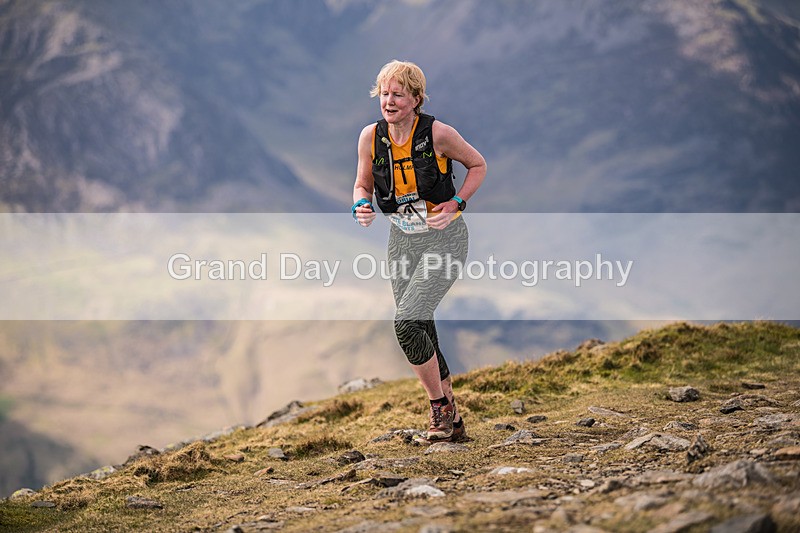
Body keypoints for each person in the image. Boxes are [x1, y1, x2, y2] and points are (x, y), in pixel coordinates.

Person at [352, 60, 487, 441]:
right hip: (401, 242)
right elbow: (362, 184)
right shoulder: (370, 137)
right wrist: (360, 205)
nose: (389, 101)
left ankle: (438, 410)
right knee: (421, 326)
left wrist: (457, 202)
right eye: (384, 93)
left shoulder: (439, 134)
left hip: (445, 240)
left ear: (416, 98)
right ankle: (453, 423)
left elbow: (478, 165)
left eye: (398, 94)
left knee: (406, 322)